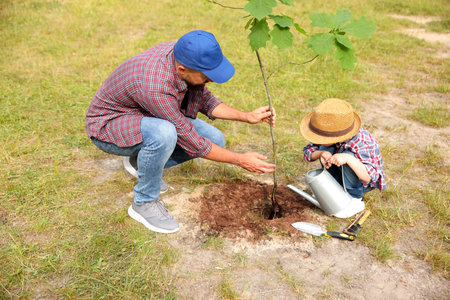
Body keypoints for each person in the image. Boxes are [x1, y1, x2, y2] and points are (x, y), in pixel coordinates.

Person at [85, 30, 276, 234]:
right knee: (164, 134)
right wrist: (240, 160)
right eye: (206, 76)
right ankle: (143, 203)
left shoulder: (183, 54)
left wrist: (246, 116)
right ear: (182, 69)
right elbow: (192, 141)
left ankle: (140, 162)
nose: (210, 80)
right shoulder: (154, 85)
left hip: (144, 113)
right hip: (109, 124)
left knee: (215, 139)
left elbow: (204, 99)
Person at [300, 98, 386, 217]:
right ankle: (333, 187)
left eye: (322, 138)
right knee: (325, 149)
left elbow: (370, 178)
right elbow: (307, 152)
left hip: (360, 182)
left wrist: (348, 159)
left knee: (349, 156)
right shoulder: (327, 134)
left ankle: (354, 199)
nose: (319, 140)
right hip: (340, 176)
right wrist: (320, 154)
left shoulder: (363, 142)